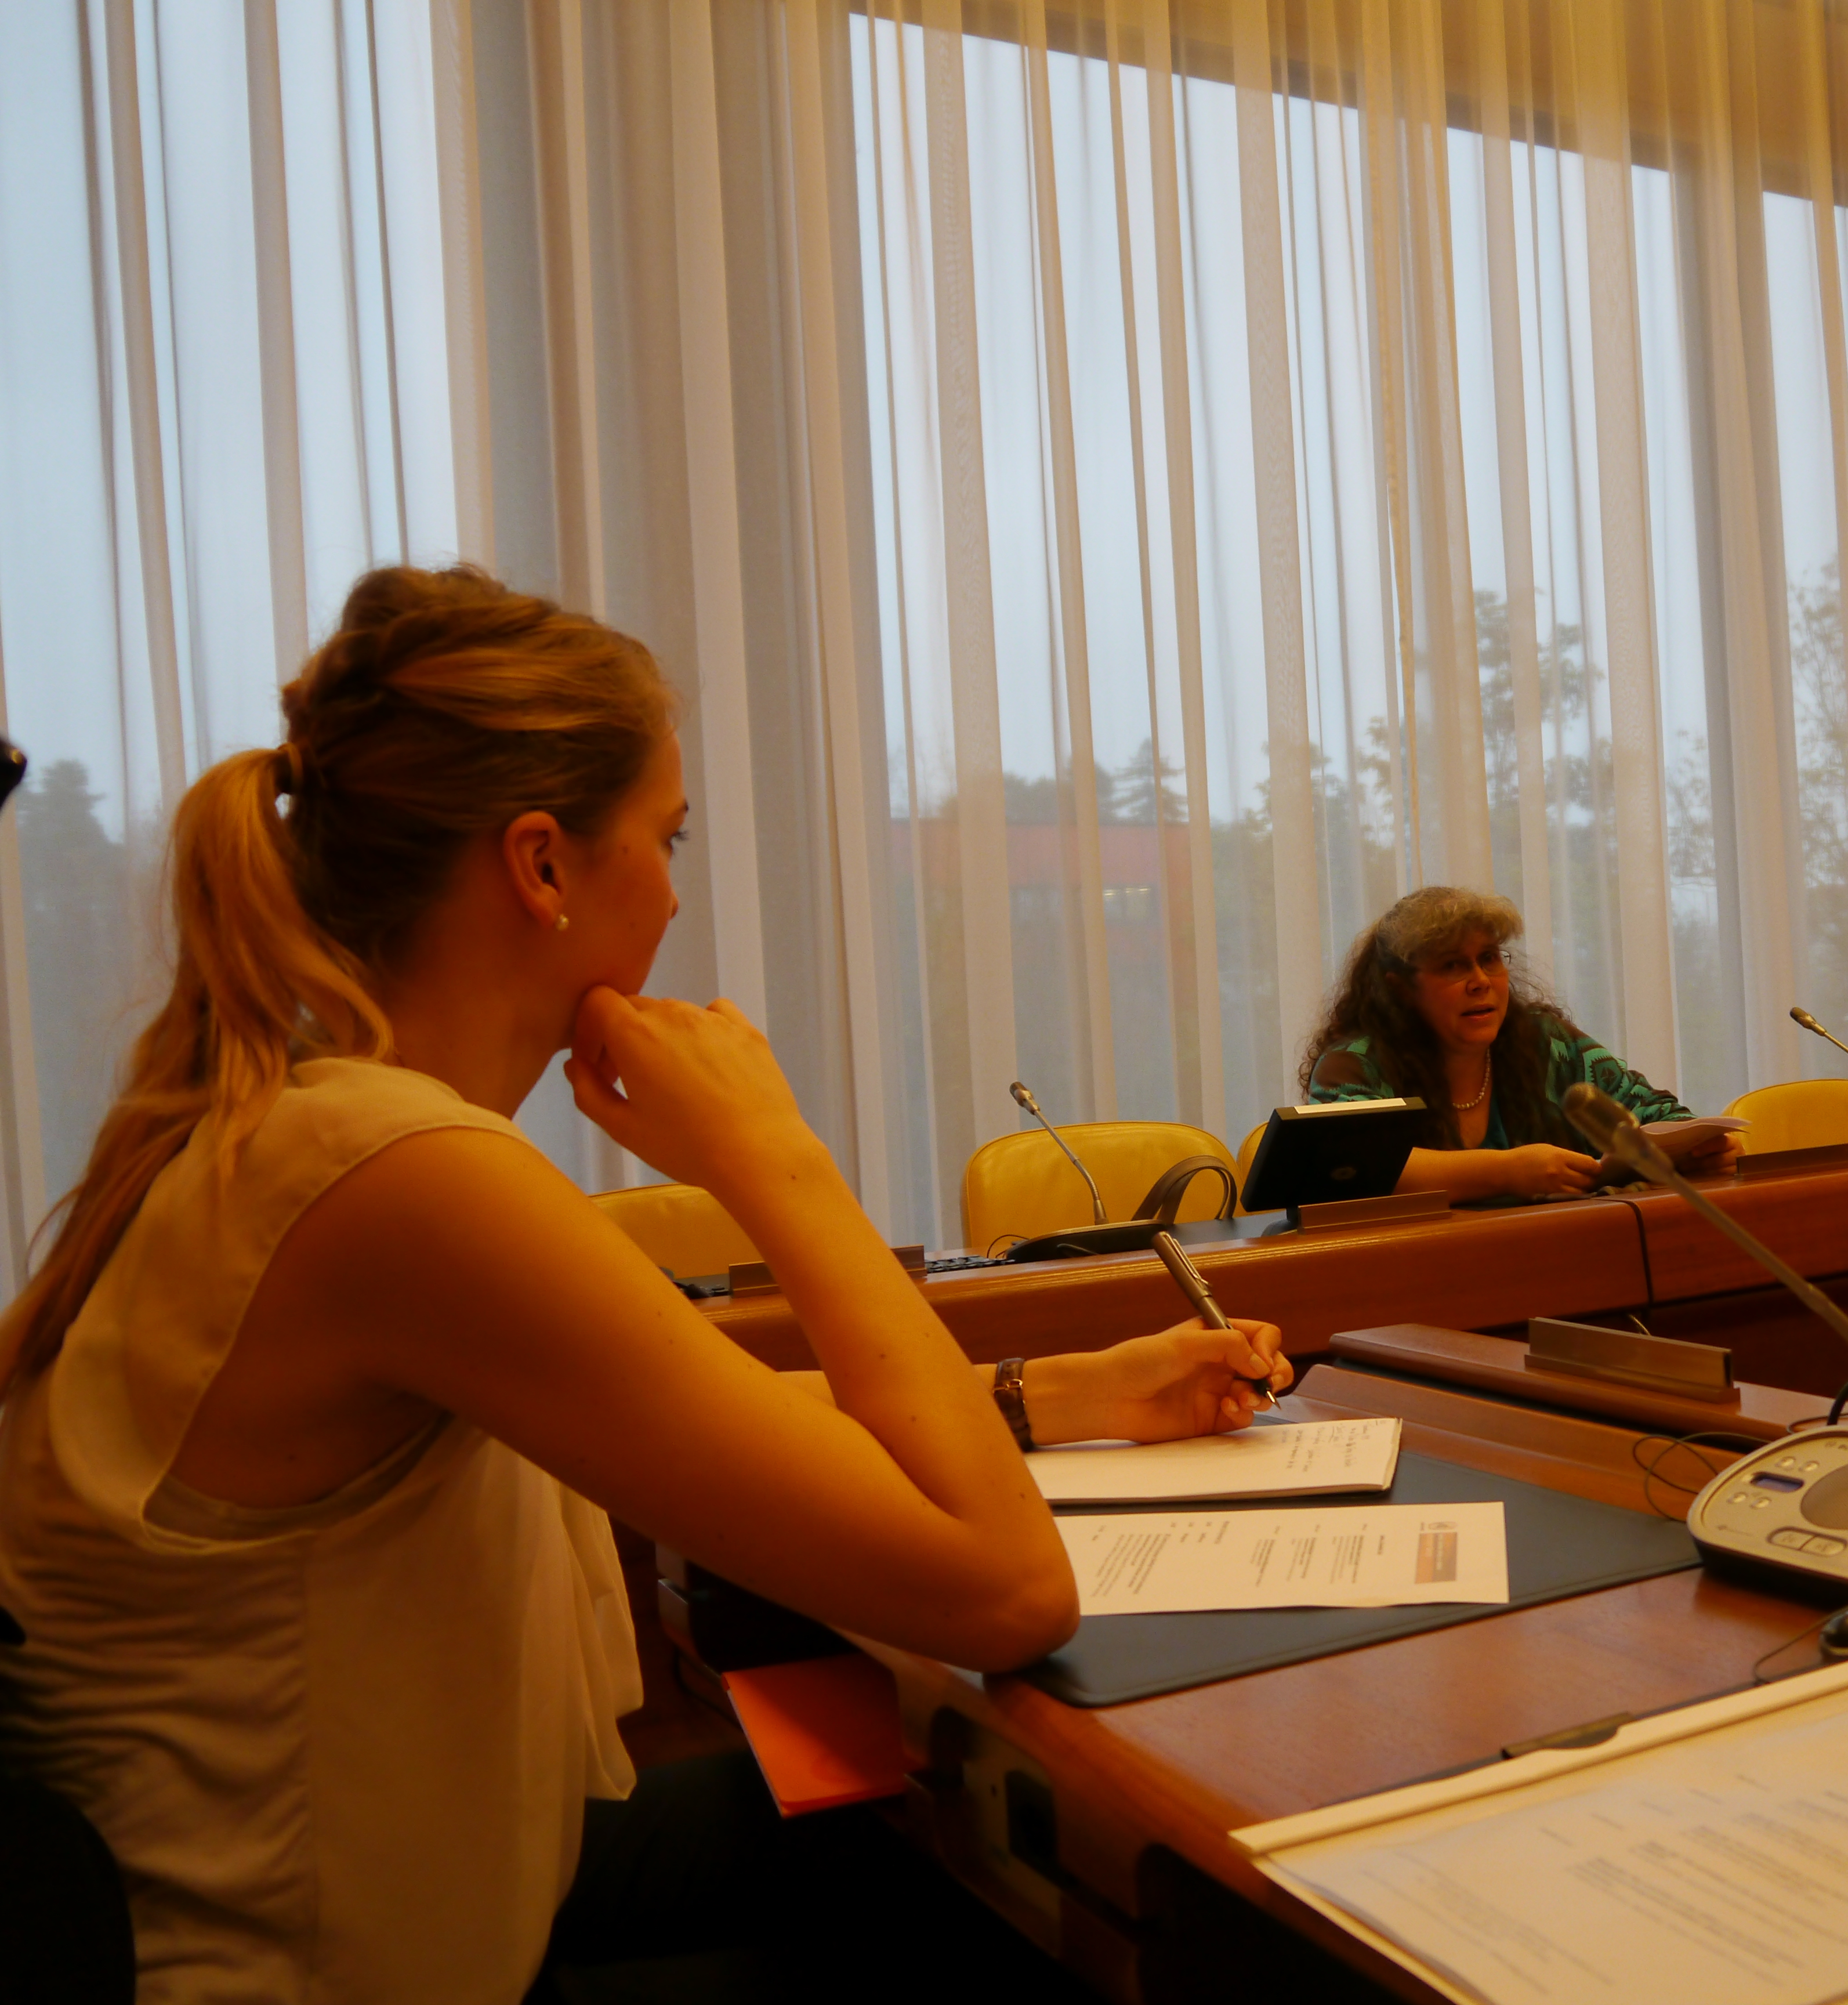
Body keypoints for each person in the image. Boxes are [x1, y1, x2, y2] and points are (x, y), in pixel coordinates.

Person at [0, 564, 1291, 2005]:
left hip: (388, 1907)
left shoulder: (306, 1125)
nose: (676, 893)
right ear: (542, 865)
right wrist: (775, 1156)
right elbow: (1008, 1592)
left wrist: (1060, 1390)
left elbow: (685, 1410)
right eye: (667, 838)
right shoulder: (394, 1171)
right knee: (1038, 1916)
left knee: (925, 1838)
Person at [1300, 886, 1741, 1201]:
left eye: (1489, 959)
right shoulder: (1354, 1064)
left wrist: (1698, 1151)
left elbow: (1659, 1116)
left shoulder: (1547, 1042)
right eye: (1453, 966)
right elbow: (1351, 1167)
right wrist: (1507, 1171)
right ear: (1401, 989)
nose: (1480, 981)